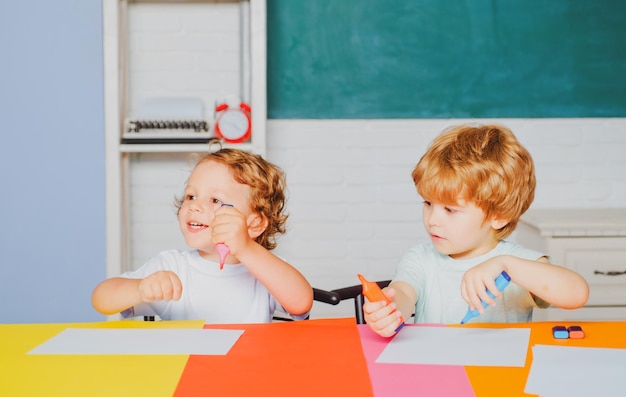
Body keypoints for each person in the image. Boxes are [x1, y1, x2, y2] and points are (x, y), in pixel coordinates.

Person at [364, 124, 589, 337]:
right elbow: (403, 294)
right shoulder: (420, 259)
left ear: (498, 217)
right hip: (437, 372)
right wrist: (390, 311)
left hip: (502, 375)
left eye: (450, 210)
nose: (433, 220)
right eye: (428, 204)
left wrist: (507, 265)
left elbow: (577, 294)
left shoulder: (517, 263)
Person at [92, 147, 313, 323]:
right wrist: (140, 289)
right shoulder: (172, 266)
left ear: (254, 224)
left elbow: (301, 303)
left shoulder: (264, 268)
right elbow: (101, 298)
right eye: (190, 196)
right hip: (185, 373)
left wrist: (245, 247)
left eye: (215, 200)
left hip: (247, 374)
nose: (194, 207)